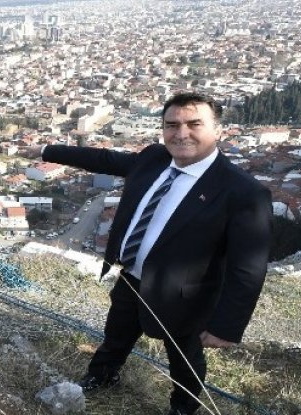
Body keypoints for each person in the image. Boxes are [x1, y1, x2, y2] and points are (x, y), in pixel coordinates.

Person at [28, 92, 272, 415]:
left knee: (184, 357)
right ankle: (101, 375)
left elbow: (249, 267)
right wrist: (48, 151)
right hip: (132, 277)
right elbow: (103, 160)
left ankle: (183, 406)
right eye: (172, 125)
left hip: (186, 294)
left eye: (194, 124)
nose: (181, 133)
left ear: (218, 130)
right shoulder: (154, 158)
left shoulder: (243, 191)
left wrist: (226, 326)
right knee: (116, 333)